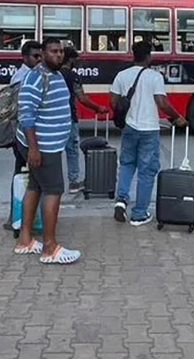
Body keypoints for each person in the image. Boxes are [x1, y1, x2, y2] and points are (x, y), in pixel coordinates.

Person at [13, 37, 81, 264]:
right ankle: (50, 248)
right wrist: (34, 148)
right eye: (53, 51)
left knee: (35, 187)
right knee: (53, 190)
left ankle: (25, 240)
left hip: (50, 145)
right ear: (42, 54)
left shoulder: (56, 74)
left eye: (61, 51)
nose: (59, 55)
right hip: (43, 147)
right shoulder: (35, 78)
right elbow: (26, 115)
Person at [110, 41, 187, 227]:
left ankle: (121, 200)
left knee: (127, 164)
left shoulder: (122, 75)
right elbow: (161, 102)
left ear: (133, 55)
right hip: (149, 129)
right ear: (148, 57)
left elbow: (113, 102)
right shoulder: (154, 76)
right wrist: (177, 117)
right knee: (146, 171)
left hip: (129, 127)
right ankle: (139, 214)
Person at [3, 40, 44, 231]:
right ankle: (20, 219)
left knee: (26, 176)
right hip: (24, 136)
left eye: (40, 56)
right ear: (25, 57)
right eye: (35, 56)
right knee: (25, 176)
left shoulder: (31, 74)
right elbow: (24, 112)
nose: (39, 59)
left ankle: (22, 217)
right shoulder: (23, 77)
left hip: (28, 135)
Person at [61, 47, 109, 194]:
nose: (78, 62)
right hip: (68, 117)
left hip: (52, 119)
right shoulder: (72, 76)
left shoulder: (54, 73)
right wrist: (98, 108)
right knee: (72, 150)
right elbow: (81, 97)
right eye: (76, 59)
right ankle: (73, 182)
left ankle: (50, 182)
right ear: (70, 59)